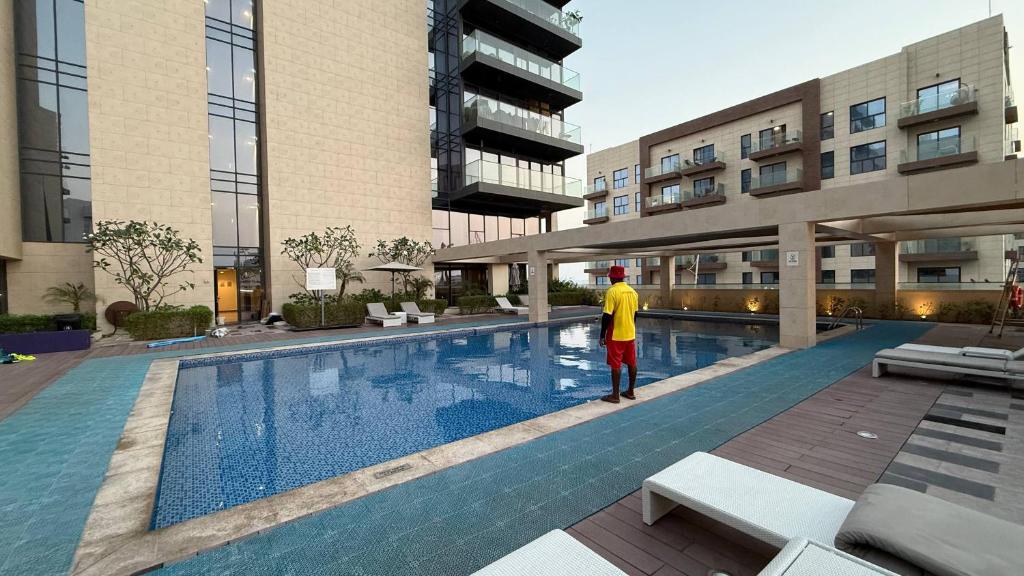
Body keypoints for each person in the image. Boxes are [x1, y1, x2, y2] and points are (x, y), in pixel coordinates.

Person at [598, 265, 639, 403]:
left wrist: (602, 335)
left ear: (612, 278)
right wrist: (631, 327)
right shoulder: (633, 292)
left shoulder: (612, 291)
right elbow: (635, 314)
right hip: (630, 334)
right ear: (622, 277)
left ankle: (615, 395)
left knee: (616, 364)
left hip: (616, 335)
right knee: (632, 362)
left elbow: (607, 315)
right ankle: (630, 392)